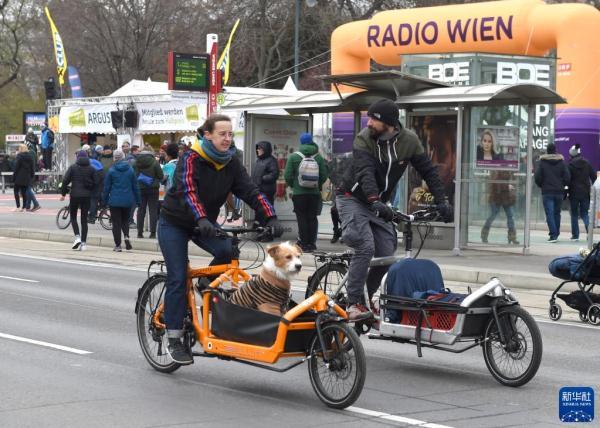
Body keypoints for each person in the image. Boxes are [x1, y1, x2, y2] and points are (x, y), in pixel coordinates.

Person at [158, 114, 283, 364]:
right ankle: (174, 338)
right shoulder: (191, 158)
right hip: (175, 222)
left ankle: (206, 281)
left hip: (203, 223)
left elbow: (250, 190)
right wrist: (202, 218)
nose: (227, 139)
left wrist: (270, 217)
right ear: (208, 136)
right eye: (222, 134)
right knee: (178, 277)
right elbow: (188, 190)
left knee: (228, 251)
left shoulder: (231, 162)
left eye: (230, 134)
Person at [336, 99, 453, 321]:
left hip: (377, 202)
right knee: (365, 245)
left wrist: (442, 200)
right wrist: (374, 199)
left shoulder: (409, 141)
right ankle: (353, 303)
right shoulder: (364, 139)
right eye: (368, 118)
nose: (368, 122)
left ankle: (367, 297)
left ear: (388, 123)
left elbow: (428, 171)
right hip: (353, 197)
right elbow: (365, 172)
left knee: (387, 253)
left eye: (373, 119)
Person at [284, 133, 328, 252]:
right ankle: (312, 244)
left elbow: (287, 175)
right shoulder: (318, 157)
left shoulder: (294, 157)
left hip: (299, 194)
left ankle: (303, 244)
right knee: (312, 218)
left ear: (301, 142)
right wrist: (316, 185)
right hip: (314, 194)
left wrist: (294, 186)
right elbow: (324, 176)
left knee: (302, 218)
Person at [60, 150, 97, 251]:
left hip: (75, 195)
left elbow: (65, 181)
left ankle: (77, 237)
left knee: (73, 217)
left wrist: (63, 193)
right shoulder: (92, 169)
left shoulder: (73, 167)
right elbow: (96, 183)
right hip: (86, 196)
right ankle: (84, 244)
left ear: (78, 157)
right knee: (84, 220)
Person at [103, 149, 140, 252]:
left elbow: (106, 188)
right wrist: (138, 200)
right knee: (125, 221)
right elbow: (135, 186)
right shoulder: (130, 170)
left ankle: (118, 245)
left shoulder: (111, 170)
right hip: (128, 200)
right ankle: (127, 236)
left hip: (114, 201)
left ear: (114, 158)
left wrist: (104, 202)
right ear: (123, 158)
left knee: (116, 223)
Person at [534, 142, 570, 243]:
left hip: (547, 191)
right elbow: (567, 177)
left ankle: (553, 235)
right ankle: (556, 233)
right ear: (555, 150)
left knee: (549, 214)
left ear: (547, 150)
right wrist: (562, 185)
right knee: (557, 213)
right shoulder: (561, 162)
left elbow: (537, 177)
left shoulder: (542, 162)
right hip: (559, 191)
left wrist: (542, 185)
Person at [567, 144, 597, 241]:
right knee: (584, 213)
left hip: (574, 193)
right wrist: (591, 187)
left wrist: (567, 190)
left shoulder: (570, 165)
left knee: (574, 214)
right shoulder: (587, 163)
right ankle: (589, 233)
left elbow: (567, 179)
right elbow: (594, 177)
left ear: (572, 154)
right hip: (585, 192)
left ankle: (575, 236)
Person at [481, 170, 519, 244]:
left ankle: (512, 237)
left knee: (510, 216)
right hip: (496, 197)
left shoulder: (511, 171)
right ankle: (484, 235)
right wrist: (507, 186)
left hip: (506, 197)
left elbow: (512, 183)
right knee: (493, 215)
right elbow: (494, 182)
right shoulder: (497, 169)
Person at [251, 140, 279, 241]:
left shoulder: (271, 160)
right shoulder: (258, 160)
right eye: (257, 148)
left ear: (265, 150)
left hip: (267, 191)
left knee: (267, 213)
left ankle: (268, 235)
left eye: (260, 148)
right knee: (259, 214)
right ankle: (260, 234)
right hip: (258, 190)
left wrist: (262, 179)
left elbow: (274, 174)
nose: (258, 150)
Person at [134, 144, 163, 239]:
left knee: (141, 210)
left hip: (140, 188)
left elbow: (134, 175)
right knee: (153, 210)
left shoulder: (136, 162)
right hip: (153, 188)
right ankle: (153, 233)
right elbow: (160, 176)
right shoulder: (155, 162)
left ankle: (139, 232)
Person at [12, 144, 34, 212]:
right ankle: (24, 207)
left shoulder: (19, 156)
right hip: (26, 177)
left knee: (16, 191)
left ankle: (18, 207)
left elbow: (16, 167)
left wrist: (14, 176)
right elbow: (32, 167)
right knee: (24, 193)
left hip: (19, 177)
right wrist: (31, 175)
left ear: (20, 149)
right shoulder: (30, 157)